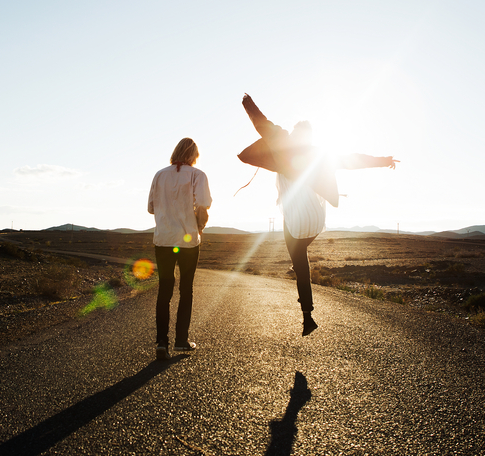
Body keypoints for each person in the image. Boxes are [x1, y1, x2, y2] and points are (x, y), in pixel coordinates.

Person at [238, 93, 398, 336]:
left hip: (295, 219)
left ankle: (307, 314)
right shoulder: (320, 154)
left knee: (299, 260)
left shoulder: (281, 145)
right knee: (301, 254)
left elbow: (261, 123)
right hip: (316, 219)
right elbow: (352, 160)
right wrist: (384, 160)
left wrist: (247, 102)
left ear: (294, 134)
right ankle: (306, 310)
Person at [148, 138, 213, 361]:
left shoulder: (159, 175)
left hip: (164, 240)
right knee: (186, 290)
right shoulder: (198, 175)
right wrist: (200, 228)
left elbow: (150, 208)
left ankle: (161, 343)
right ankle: (181, 341)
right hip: (188, 242)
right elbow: (202, 209)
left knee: (164, 291)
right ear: (194, 154)